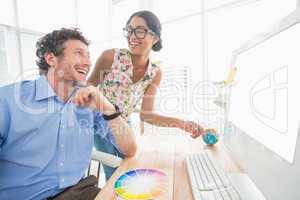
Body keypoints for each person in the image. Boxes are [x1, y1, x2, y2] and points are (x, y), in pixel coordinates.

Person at [0, 28, 137, 200]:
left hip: (79, 192)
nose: (87, 62)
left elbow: (130, 149)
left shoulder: (91, 101)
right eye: (79, 53)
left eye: (88, 56)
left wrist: (108, 108)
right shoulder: (7, 100)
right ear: (51, 59)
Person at [88, 10, 205, 180]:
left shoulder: (155, 73)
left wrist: (182, 124)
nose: (132, 36)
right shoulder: (110, 57)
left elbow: (147, 115)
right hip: (100, 121)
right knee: (114, 173)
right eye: (129, 30)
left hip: (124, 124)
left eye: (140, 30)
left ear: (155, 38)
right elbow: (88, 87)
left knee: (128, 169)